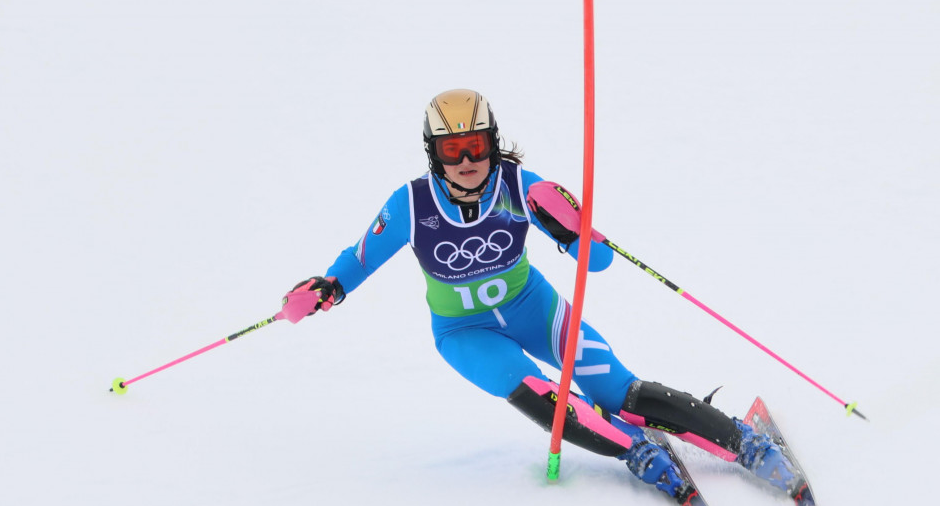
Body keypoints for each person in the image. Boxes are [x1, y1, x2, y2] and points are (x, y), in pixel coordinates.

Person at [279, 89, 796, 504]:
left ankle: (746, 443)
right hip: (466, 333)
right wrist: (328, 289)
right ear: (433, 153)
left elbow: (599, 262)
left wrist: (574, 230)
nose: (467, 160)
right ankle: (637, 453)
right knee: (544, 396)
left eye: (476, 145)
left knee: (618, 391)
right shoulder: (412, 204)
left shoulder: (519, 187)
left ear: (492, 142)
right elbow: (359, 259)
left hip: (535, 310)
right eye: (452, 150)